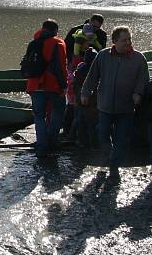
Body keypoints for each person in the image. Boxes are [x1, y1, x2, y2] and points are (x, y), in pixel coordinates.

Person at [81, 26, 150, 176]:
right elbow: (92, 76)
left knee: (122, 138)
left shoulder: (138, 58)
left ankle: (114, 166)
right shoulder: (103, 55)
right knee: (102, 133)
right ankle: (108, 153)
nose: (128, 43)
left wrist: (138, 93)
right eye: (124, 40)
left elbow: (143, 79)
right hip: (105, 105)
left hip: (126, 107)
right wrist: (85, 92)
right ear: (114, 41)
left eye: (129, 39)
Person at [25, 19, 68, 157]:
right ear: (55, 30)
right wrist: (64, 85)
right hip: (52, 84)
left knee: (39, 116)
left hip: (34, 84)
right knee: (58, 110)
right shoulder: (58, 43)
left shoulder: (33, 42)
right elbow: (61, 67)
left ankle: (42, 146)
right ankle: (52, 141)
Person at [73, 47, 99, 148]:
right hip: (92, 102)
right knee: (92, 124)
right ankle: (93, 144)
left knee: (81, 122)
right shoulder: (98, 70)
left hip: (82, 100)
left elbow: (75, 86)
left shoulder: (80, 69)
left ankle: (82, 142)